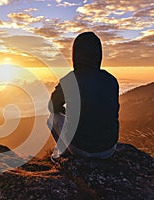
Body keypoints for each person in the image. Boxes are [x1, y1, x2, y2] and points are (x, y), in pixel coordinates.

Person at [47, 32, 119, 160]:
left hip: (80, 149)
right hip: (109, 149)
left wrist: (66, 112)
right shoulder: (111, 80)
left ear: (75, 55)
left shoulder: (70, 80)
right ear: (99, 55)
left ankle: (64, 154)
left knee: (52, 118)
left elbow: (52, 106)